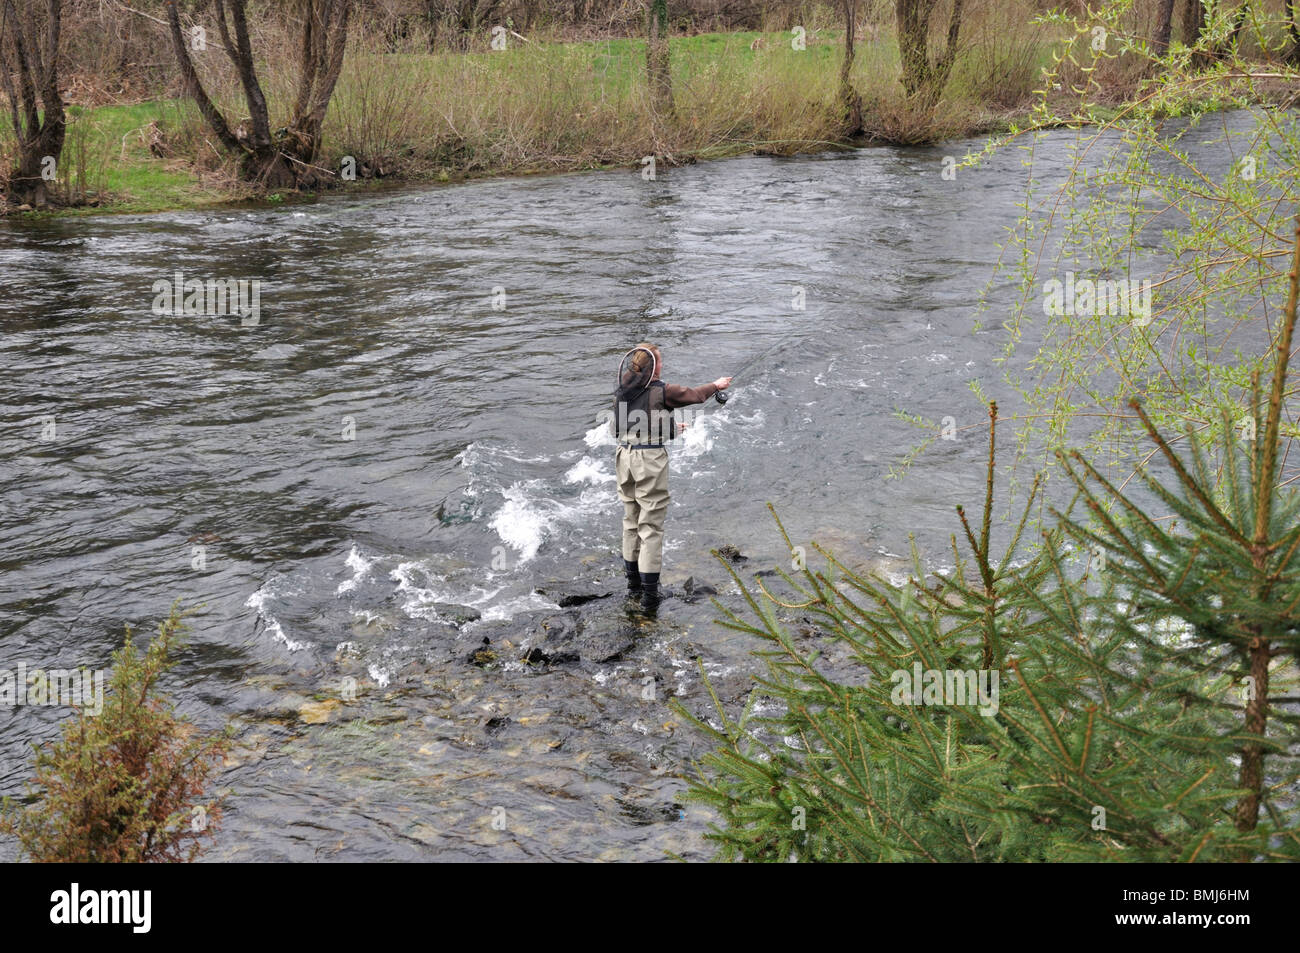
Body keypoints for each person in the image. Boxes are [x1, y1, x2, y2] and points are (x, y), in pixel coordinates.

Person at [611, 342, 731, 611]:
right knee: (650, 526)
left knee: (630, 520)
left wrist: (671, 427)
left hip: (623, 458)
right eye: (659, 362)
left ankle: (633, 586)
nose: (662, 366)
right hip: (649, 462)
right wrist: (717, 385)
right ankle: (650, 596)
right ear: (652, 367)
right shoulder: (662, 391)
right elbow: (696, 395)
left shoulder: (621, 391)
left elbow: (618, 428)